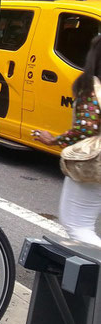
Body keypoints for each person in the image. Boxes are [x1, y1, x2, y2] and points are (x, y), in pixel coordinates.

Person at [33, 35, 101, 247]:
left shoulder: (89, 84)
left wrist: (54, 140)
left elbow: (86, 127)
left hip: (93, 164)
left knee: (77, 225)